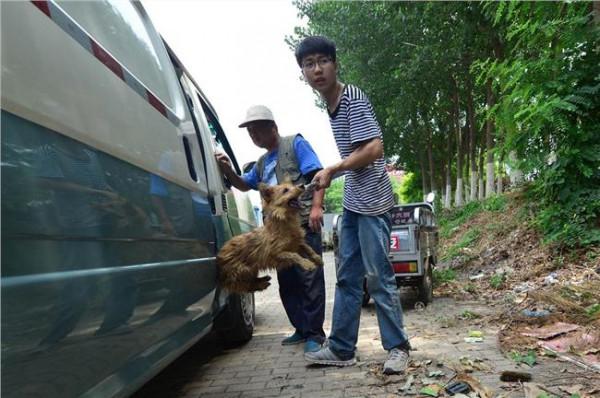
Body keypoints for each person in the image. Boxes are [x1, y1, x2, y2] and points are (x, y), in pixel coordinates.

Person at [295, 36, 411, 374]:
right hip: (353, 202)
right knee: (347, 278)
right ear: (302, 72)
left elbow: (374, 149)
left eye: (322, 61)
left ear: (335, 63)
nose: (316, 69)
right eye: (308, 64)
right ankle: (342, 348)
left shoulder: (352, 98)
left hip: (373, 202)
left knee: (378, 277)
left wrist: (333, 168)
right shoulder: (330, 104)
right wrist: (330, 174)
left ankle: (398, 348)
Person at [215, 105, 326, 353]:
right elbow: (245, 185)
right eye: (250, 133)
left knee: (309, 280)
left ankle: (315, 335)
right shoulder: (262, 162)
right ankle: (300, 328)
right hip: (275, 232)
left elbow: (317, 175)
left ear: (272, 128)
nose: (254, 136)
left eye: (257, 130)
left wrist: (318, 206)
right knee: (287, 283)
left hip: (303, 221)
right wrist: (228, 170)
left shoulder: (295, 144)